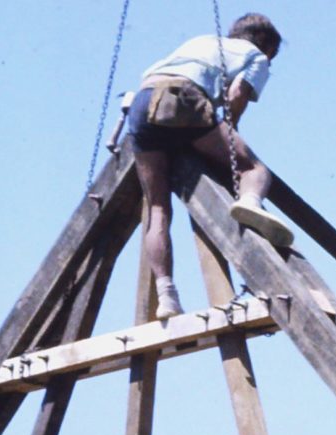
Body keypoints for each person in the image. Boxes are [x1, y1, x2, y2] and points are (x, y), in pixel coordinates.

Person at [126, 13, 294, 320]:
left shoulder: (201, 41)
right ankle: (249, 202)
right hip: (183, 99)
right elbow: (236, 96)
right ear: (267, 46)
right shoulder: (255, 56)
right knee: (254, 169)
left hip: (142, 103)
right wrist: (228, 139)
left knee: (158, 209)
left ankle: (166, 296)